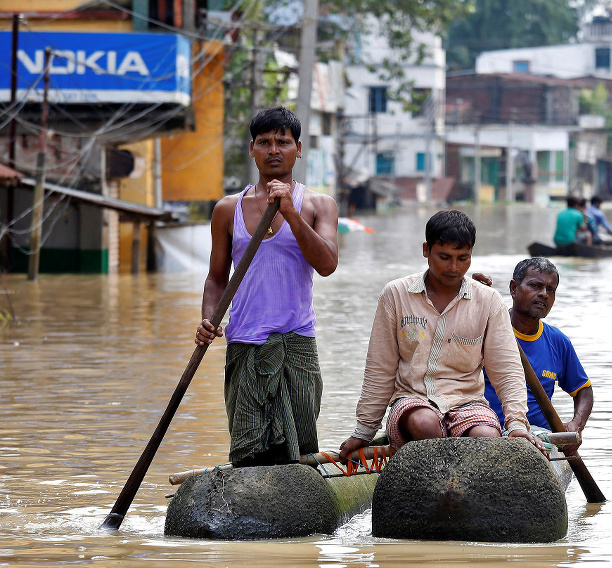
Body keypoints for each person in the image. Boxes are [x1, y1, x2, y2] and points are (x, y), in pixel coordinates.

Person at [339, 210, 546, 462]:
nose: (454, 267)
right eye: (445, 257)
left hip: (468, 402)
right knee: (425, 424)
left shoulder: (488, 301)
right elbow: (380, 367)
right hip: (412, 401)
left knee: (486, 436)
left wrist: (516, 425)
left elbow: (507, 370)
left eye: (463, 258)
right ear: (426, 250)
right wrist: (364, 430)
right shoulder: (396, 294)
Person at [195, 106, 339, 467]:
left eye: (283, 142)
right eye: (265, 142)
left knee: (299, 454)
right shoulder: (228, 209)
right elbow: (216, 278)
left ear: (298, 149)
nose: (274, 149)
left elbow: (327, 264)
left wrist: (290, 211)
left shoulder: (319, 205)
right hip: (245, 343)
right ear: (252, 150)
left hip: (297, 343)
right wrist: (208, 319)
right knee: (248, 455)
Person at [482, 258, 593, 456]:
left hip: (539, 437)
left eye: (551, 290)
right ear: (514, 288)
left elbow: (583, 390)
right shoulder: (486, 330)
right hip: (486, 430)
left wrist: (577, 424)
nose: (543, 294)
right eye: (535, 286)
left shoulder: (558, 341)